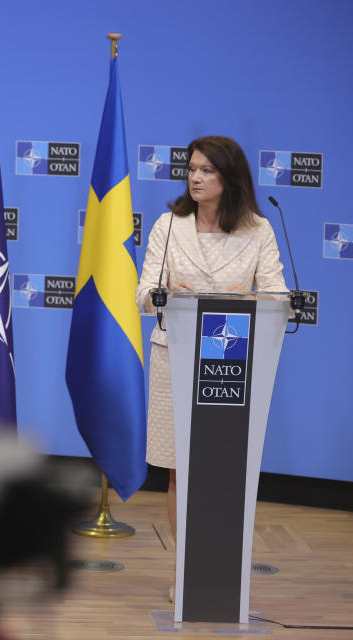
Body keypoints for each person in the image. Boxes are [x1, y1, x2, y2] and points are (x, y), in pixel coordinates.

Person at [135, 135, 286, 601]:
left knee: (223, 469)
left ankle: (220, 566)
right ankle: (186, 568)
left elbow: (279, 298)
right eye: (192, 169)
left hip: (232, 362)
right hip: (173, 355)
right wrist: (171, 295)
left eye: (208, 171)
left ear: (230, 178)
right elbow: (144, 297)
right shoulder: (169, 225)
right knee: (181, 469)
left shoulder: (258, 229)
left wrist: (237, 302)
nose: (196, 178)